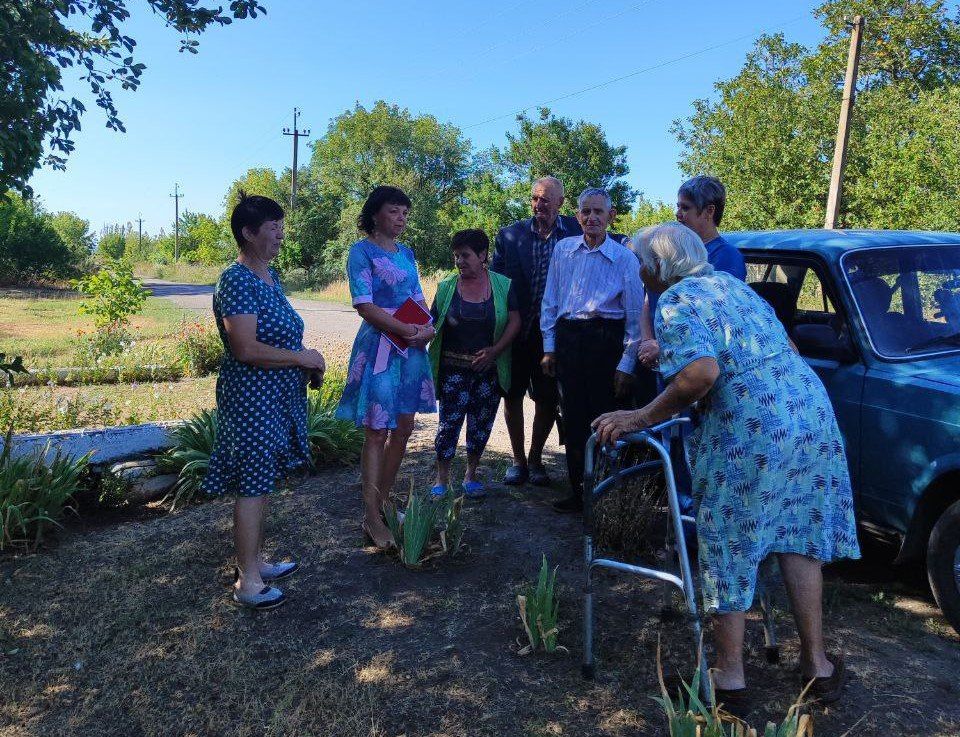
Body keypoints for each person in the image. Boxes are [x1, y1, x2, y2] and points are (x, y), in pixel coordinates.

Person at [593, 222, 860, 708]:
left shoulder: (677, 300)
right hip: (809, 421)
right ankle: (817, 667)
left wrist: (639, 417)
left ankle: (729, 677)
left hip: (750, 438)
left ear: (657, 267)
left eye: (640, 263)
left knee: (729, 545)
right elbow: (780, 351)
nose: (638, 271)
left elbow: (702, 373)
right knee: (797, 540)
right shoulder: (735, 288)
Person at [202, 193, 327, 611]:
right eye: (273, 227)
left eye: (281, 226)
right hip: (250, 399)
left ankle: (256, 561)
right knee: (252, 486)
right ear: (248, 232)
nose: (280, 234)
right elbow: (245, 348)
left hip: (277, 396)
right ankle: (248, 581)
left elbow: (278, 338)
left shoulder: (269, 278)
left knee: (263, 481)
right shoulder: (235, 279)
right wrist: (300, 358)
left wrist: (307, 363)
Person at [335, 186, 437, 549]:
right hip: (380, 345)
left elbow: (419, 299)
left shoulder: (407, 253)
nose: (401, 219)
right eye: (395, 211)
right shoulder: (360, 252)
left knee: (405, 427)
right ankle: (371, 517)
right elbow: (364, 305)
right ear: (375, 214)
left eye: (405, 213)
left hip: (410, 349)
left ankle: (382, 501)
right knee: (377, 431)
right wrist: (407, 330)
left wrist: (427, 329)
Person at [540, 187, 644, 513]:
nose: (592, 218)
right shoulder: (563, 250)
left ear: (611, 217)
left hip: (605, 340)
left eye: (599, 212)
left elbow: (634, 315)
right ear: (577, 216)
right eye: (586, 211)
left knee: (605, 418)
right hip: (570, 338)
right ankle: (579, 491)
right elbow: (551, 300)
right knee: (572, 416)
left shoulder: (625, 258)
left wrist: (626, 364)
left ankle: (605, 495)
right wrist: (550, 347)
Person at [491, 176, 582, 487]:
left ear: (560, 202)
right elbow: (499, 283)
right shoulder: (509, 236)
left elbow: (609, 240)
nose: (538, 205)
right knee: (512, 394)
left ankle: (536, 458)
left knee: (545, 398)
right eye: (534, 198)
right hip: (519, 330)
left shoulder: (576, 230)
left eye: (546, 199)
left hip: (556, 335)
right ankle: (517, 461)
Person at [428, 229, 520, 499]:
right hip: (452, 371)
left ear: (483, 255)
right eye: (456, 256)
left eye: (465, 255)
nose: (459, 261)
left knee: (481, 424)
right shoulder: (446, 287)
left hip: (488, 371)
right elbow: (431, 322)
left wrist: (495, 351)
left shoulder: (503, 285)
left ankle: (471, 474)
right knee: (448, 425)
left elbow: (515, 321)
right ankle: (441, 477)